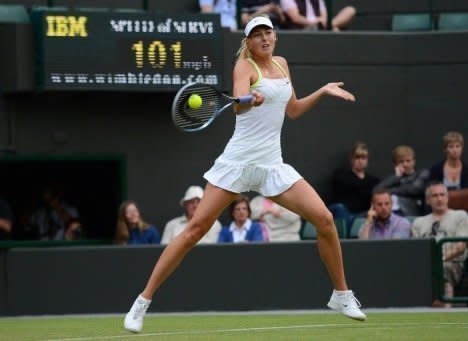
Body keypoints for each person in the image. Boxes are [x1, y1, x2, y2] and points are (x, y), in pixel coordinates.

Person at [123, 15, 365, 334]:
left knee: (324, 219)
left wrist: (322, 90)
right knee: (195, 230)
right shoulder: (244, 66)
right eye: (258, 34)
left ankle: (341, 295)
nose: (265, 38)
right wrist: (251, 98)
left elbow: (292, 110)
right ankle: (142, 302)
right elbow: (238, 105)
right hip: (237, 164)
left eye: (269, 32)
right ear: (248, 41)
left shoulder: (281, 64)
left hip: (271, 166)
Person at [411, 182, 468, 307]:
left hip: (452, 263)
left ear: (447, 197)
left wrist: (440, 260)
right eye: (434, 196)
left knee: (442, 268)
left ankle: (446, 310)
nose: (439, 199)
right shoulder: (418, 222)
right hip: (424, 265)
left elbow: (461, 246)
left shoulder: (460, 216)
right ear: (428, 200)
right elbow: (415, 250)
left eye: (442, 195)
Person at [329, 142, 380, 228]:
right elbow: (346, 183)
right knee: (339, 207)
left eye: (363, 158)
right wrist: (364, 186)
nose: (360, 161)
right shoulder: (341, 175)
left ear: (367, 160)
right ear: (351, 159)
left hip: (361, 215)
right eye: (357, 157)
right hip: (343, 213)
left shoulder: (373, 180)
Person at [429, 131, 468, 213]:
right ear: (445, 149)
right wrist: (460, 195)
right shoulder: (436, 169)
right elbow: (434, 193)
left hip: (465, 211)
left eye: (458, 146)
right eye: (451, 147)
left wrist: (447, 194)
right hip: (441, 210)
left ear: (462, 148)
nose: (455, 150)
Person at [377, 145, 429, 216]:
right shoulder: (393, 177)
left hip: (408, 212)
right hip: (388, 213)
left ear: (414, 161)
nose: (405, 164)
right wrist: (396, 177)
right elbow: (377, 190)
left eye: (408, 161)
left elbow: (414, 189)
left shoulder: (422, 173)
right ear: (396, 164)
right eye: (401, 161)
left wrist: (389, 191)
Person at [281, 0, 356, 30]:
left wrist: (322, 23)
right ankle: (330, 27)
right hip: (303, 28)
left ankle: (331, 25)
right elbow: (295, 18)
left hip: (321, 25)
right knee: (335, 29)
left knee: (350, 10)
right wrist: (314, 23)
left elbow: (324, 16)